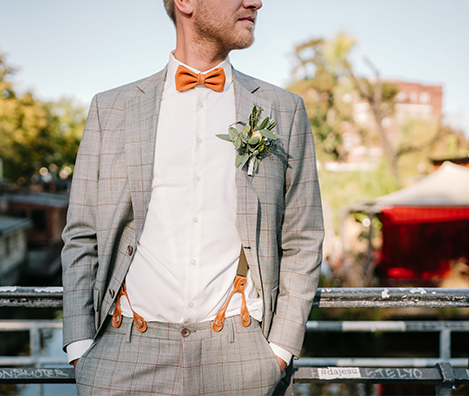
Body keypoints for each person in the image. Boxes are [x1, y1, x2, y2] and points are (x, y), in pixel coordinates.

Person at [60, 0, 324, 394]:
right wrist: (81, 347)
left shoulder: (283, 110)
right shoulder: (110, 109)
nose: (256, 2)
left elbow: (303, 237)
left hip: (242, 359)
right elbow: (81, 234)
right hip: (122, 355)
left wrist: (279, 349)